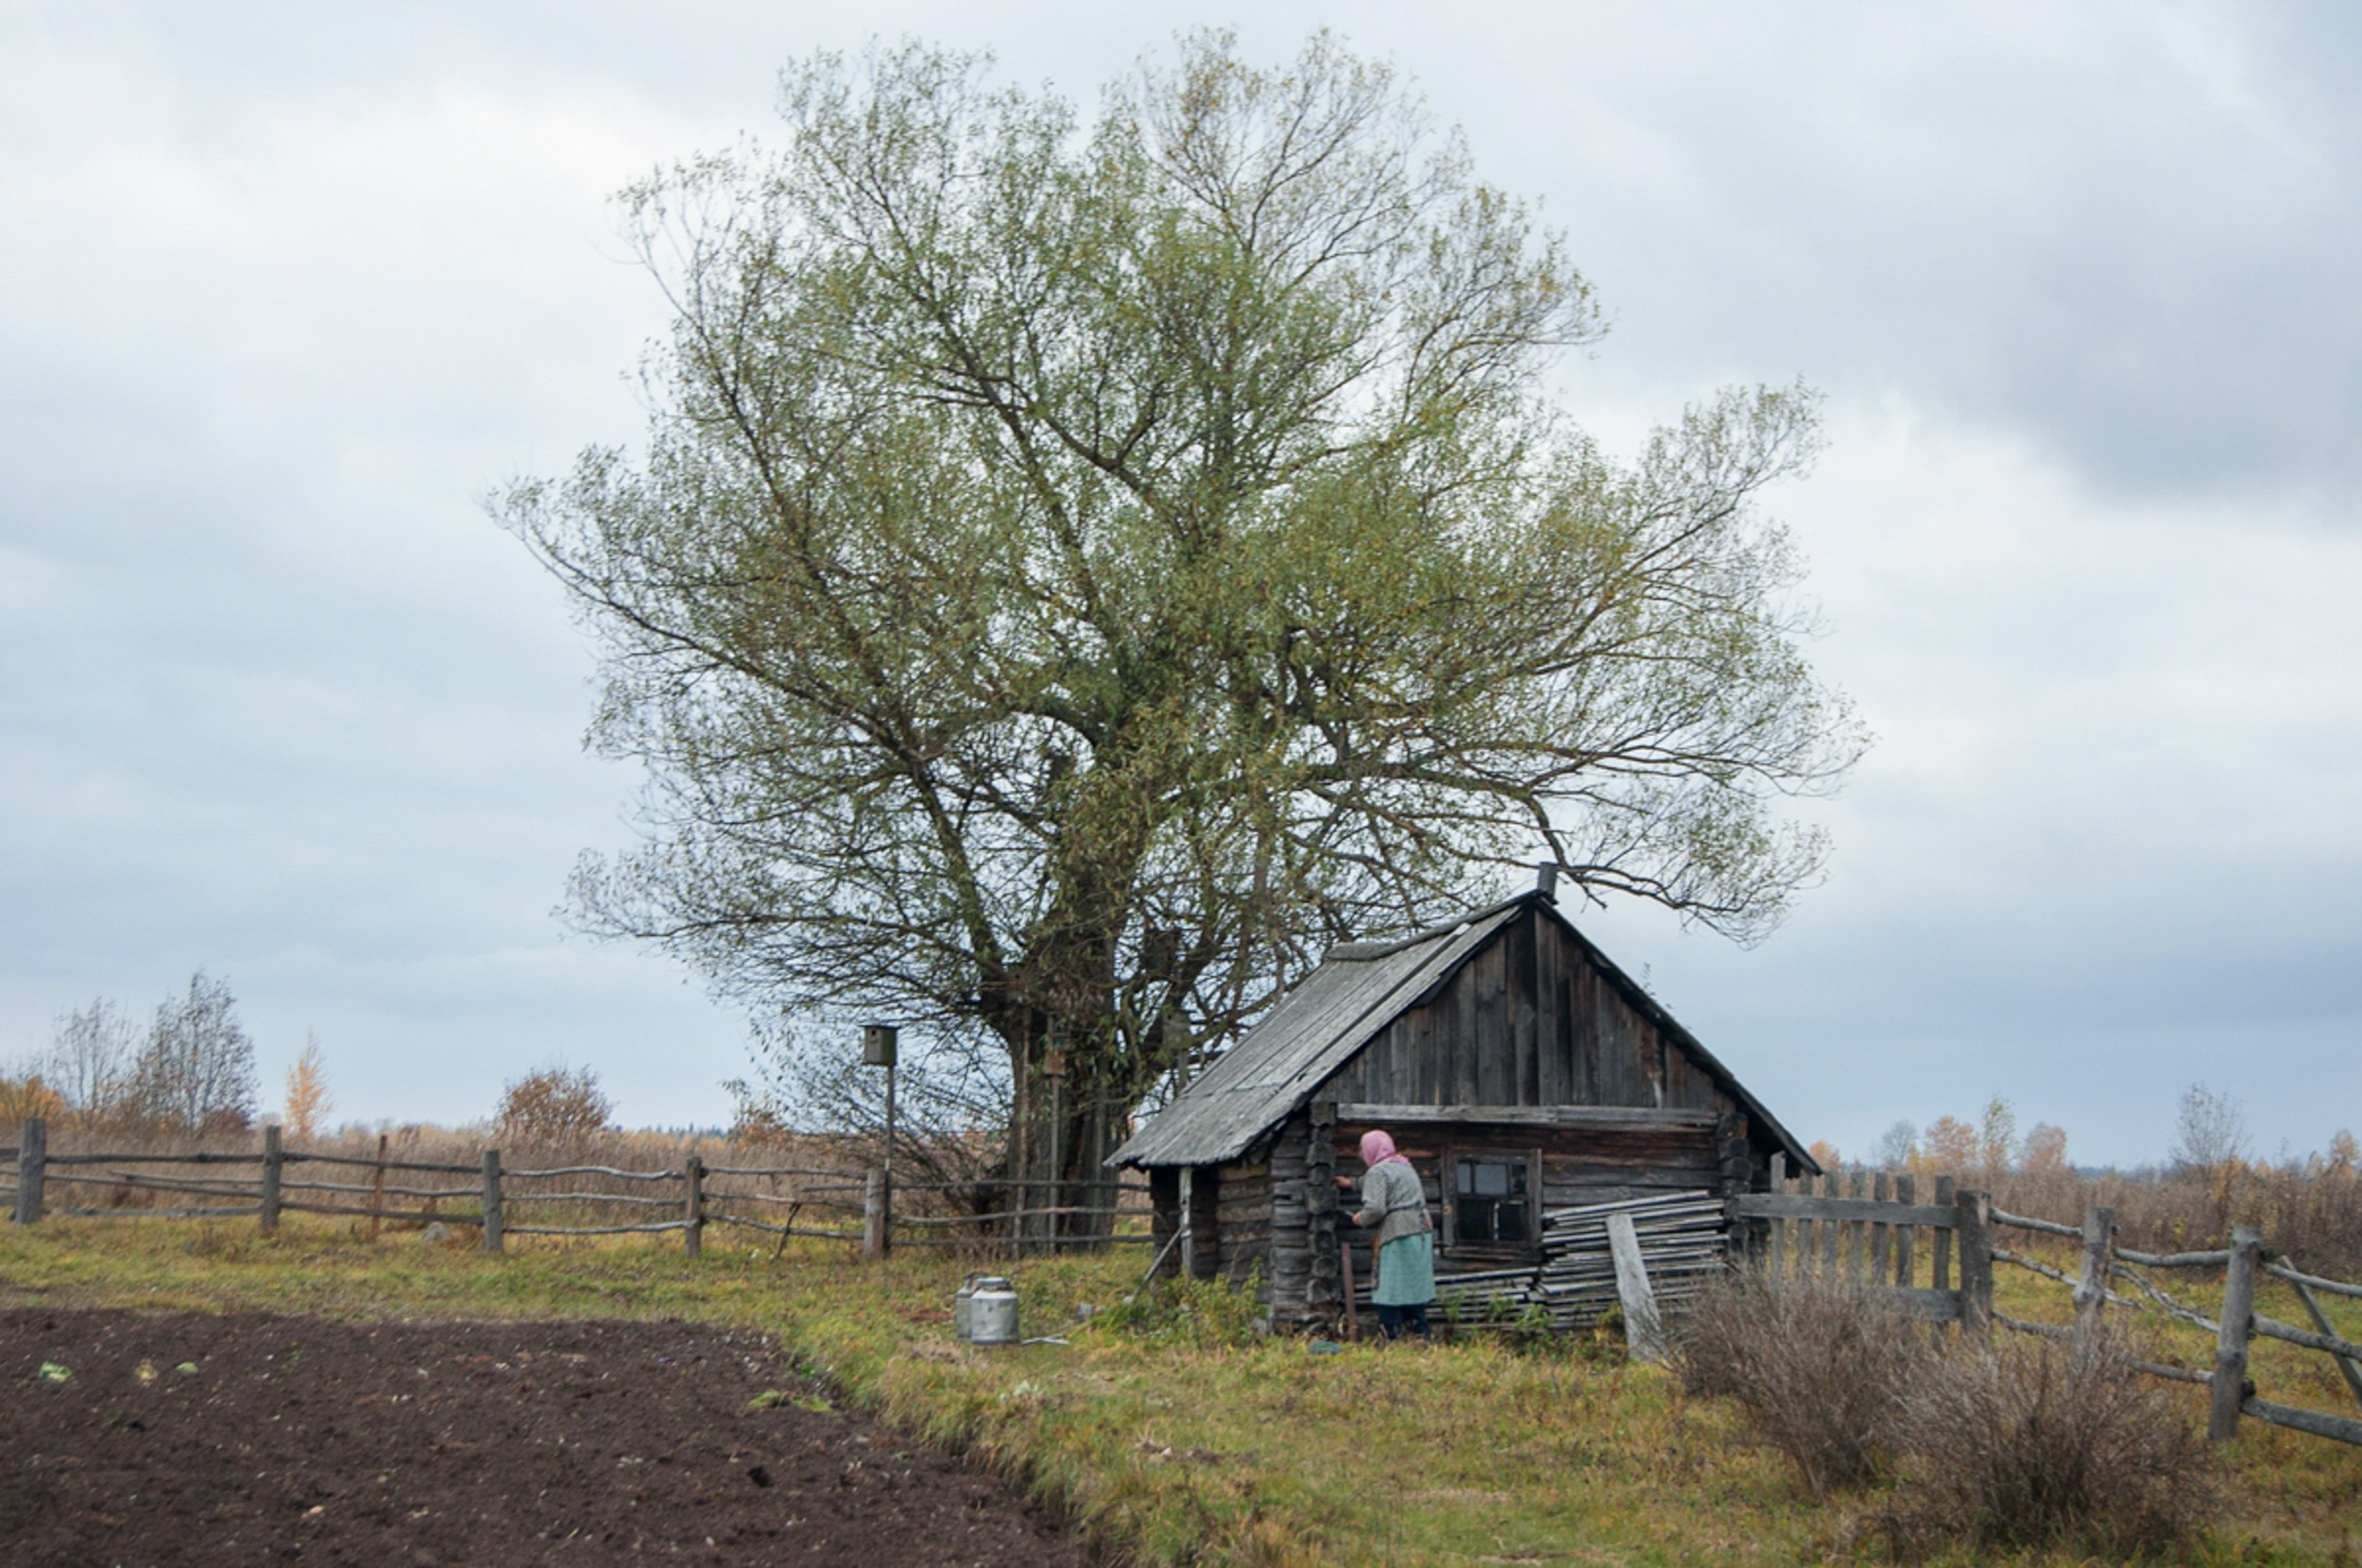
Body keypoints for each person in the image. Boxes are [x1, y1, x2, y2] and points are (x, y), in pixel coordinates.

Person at [1340, 1129, 1435, 1340]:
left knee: (1389, 1288)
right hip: (1421, 1232)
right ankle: (1419, 1336)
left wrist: (1360, 1219)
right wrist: (1352, 1183)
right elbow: (1383, 1184)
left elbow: (1375, 1209)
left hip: (1397, 1234)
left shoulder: (1378, 1171)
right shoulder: (1404, 1166)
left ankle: (1391, 1336)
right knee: (1413, 1287)